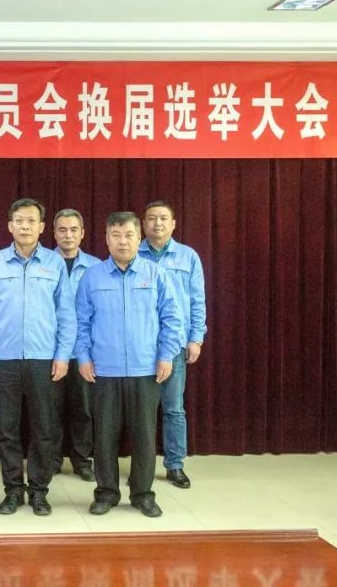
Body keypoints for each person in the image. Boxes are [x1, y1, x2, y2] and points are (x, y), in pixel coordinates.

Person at [75, 211, 182, 518]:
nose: (123, 241)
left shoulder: (156, 274)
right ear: (107, 239)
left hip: (145, 370)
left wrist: (166, 355)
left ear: (139, 238)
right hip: (103, 371)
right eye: (116, 235)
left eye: (129, 235)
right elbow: (81, 322)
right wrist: (83, 357)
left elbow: (172, 319)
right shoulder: (92, 277)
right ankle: (106, 492)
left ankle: (142, 494)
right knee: (104, 436)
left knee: (144, 436)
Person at [0, 198, 75, 516]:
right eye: (19, 221)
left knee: (44, 429)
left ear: (42, 227)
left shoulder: (54, 263)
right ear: (9, 226)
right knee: (7, 429)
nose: (25, 226)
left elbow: (66, 314)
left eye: (31, 221)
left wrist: (63, 355)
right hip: (3, 359)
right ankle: (12, 490)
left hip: (44, 359)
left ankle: (38, 490)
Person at [138, 200, 206, 490]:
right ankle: (141, 465)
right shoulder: (132, 253)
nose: (157, 223)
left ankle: (175, 465)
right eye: (151, 218)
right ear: (143, 224)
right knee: (140, 412)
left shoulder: (188, 257)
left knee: (173, 409)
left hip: (174, 345)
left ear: (174, 224)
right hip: (140, 345)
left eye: (163, 218)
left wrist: (196, 338)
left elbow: (197, 299)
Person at [51, 208, 100, 482]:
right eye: (62, 230)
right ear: (54, 233)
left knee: (83, 409)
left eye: (73, 230)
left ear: (82, 233)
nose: (68, 235)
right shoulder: (44, 263)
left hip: (83, 352)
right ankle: (52, 459)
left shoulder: (96, 267)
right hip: (51, 350)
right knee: (50, 410)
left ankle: (82, 460)